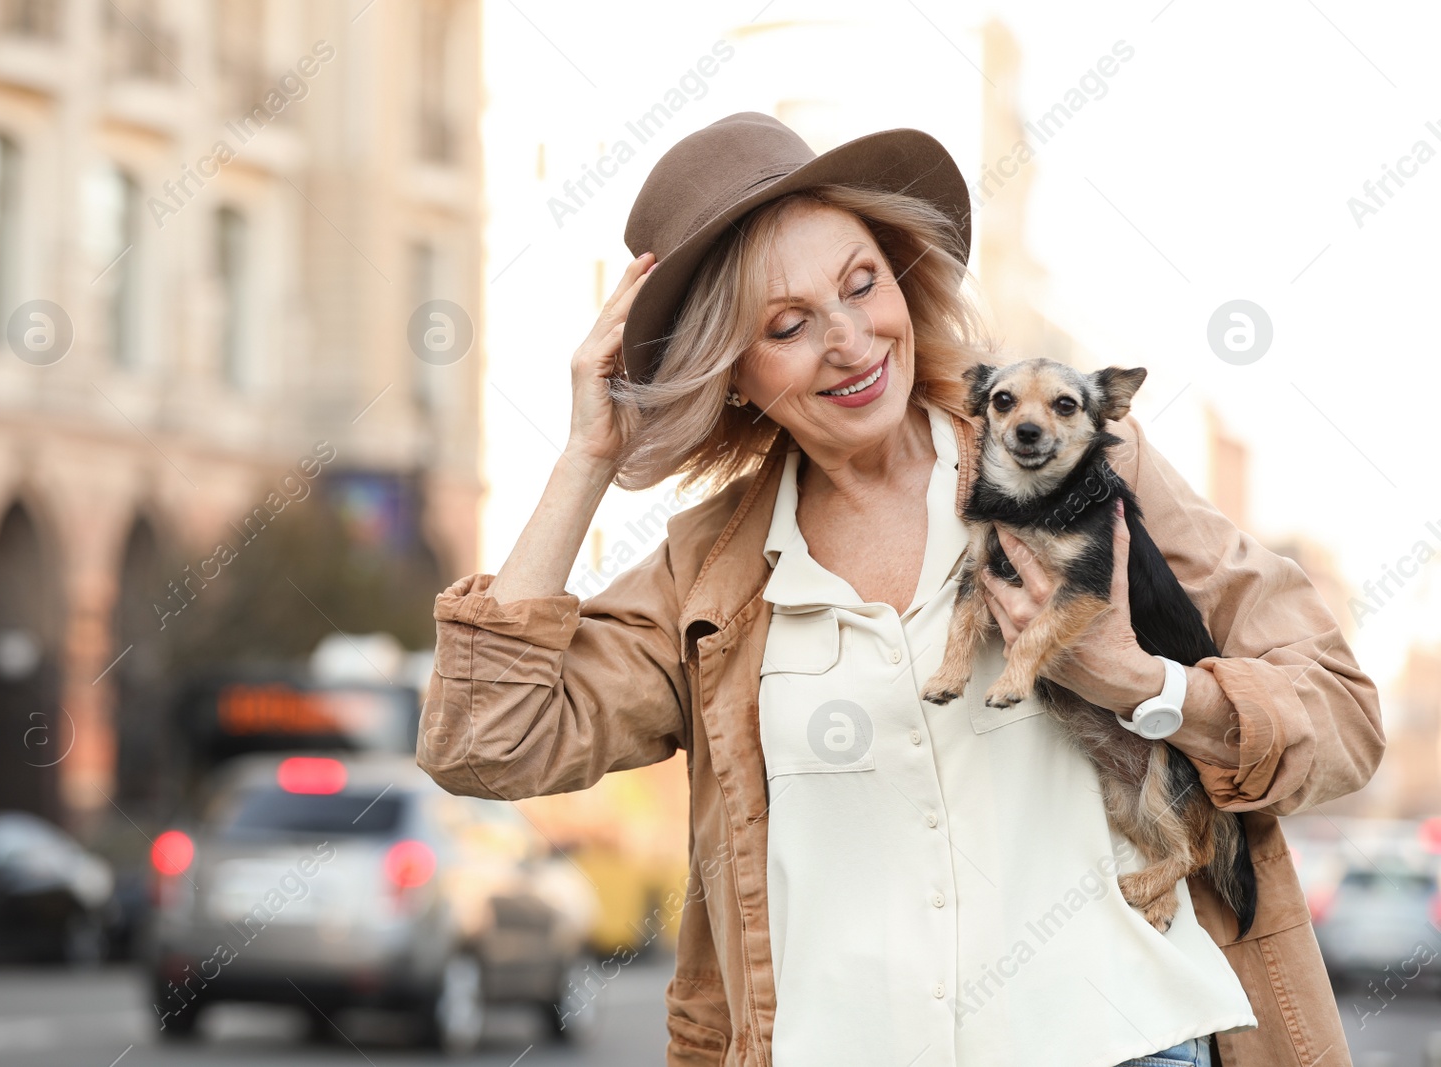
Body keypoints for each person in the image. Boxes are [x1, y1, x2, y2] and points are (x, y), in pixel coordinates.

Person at [417, 112, 1383, 1067]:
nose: (849, 340)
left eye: (860, 284)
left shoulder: (1084, 457)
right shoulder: (707, 575)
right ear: (738, 376)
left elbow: (1340, 711)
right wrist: (588, 455)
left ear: (900, 276)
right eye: (788, 325)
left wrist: (1143, 684)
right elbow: (485, 740)